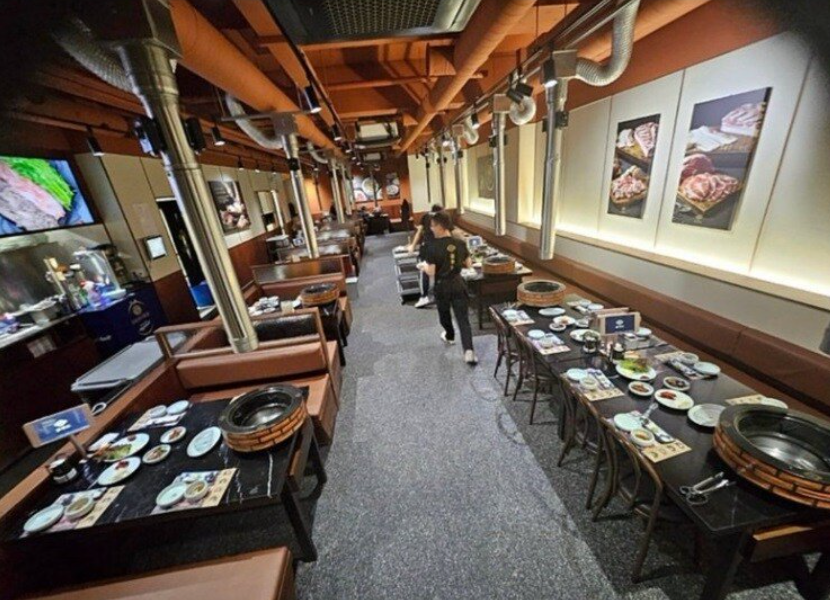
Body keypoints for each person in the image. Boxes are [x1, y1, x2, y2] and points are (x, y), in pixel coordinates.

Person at [419, 211, 477, 365]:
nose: (431, 229)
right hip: (458, 283)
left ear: (440, 226)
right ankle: (469, 351)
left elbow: (431, 272)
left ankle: (449, 335)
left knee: (444, 316)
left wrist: (423, 267)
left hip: (442, 286)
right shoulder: (460, 243)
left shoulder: (432, 246)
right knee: (463, 319)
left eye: (433, 226)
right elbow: (469, 264)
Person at [407, 204, 442, 308]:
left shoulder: (426, 216)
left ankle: (425, 296)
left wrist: (413, 246)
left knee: (425, 272)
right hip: (436, 247)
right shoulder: (442, 218)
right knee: (436, 271)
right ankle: (434, 295)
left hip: (427, 247)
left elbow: (419, 232)